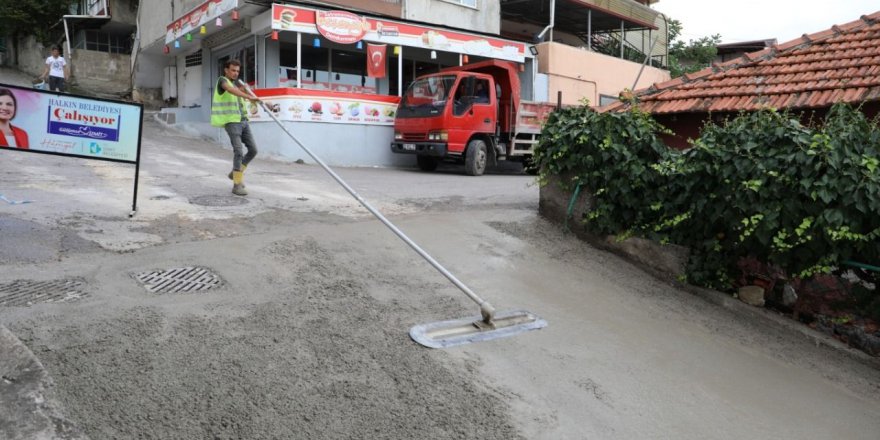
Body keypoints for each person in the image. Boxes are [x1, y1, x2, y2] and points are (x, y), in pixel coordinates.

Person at [211, 59, 261, 196]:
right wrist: (246, 94)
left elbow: (239, 93)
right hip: (231, 122)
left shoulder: (236, 86)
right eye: (233, 70)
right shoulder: (222, 81)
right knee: (238, 151)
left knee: (253, 150)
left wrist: (250, 95)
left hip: (243, 121)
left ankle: (235, 173)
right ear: (226, 70)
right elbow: (230, 90)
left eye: (238, 71)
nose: (235, 73)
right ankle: (237, 185)